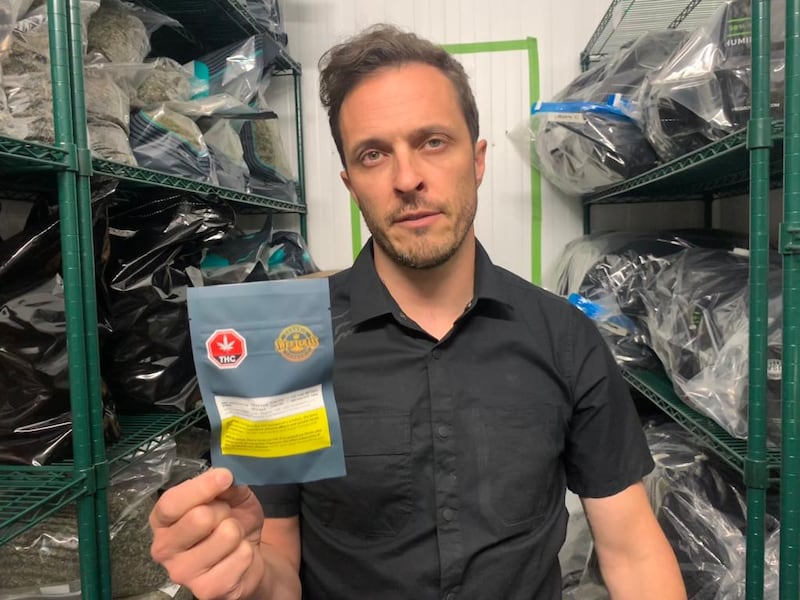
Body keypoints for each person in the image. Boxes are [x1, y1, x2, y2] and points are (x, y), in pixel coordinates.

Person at [149, 24, 687, 600]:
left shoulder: (565, 339)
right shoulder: (281, 348)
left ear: (477, 160)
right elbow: (277, 563)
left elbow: (631, 551)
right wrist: (242, 573)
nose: (407, 179)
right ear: (351, 184)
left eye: (433, 141)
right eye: (374, 154)